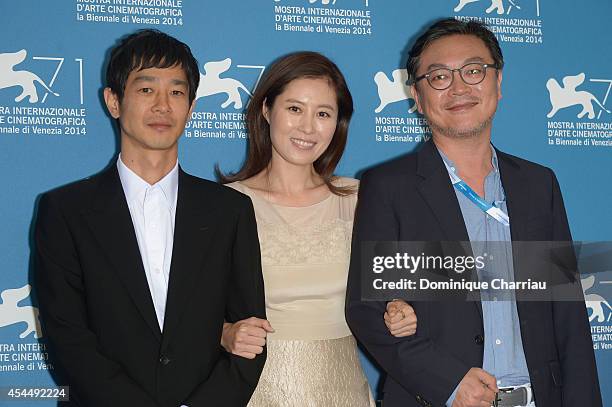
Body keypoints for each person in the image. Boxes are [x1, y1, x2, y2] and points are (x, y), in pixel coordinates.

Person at [346, 18, 602, 407]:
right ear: (416, 94)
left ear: (498, 84)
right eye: (439, 77)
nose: (459, 87)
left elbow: (566, 314)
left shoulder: (538, 184)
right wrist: (448, 383)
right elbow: (370, 309)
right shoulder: (389, 186)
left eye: (473, 70)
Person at [34, 29, 266, 407]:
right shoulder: (65, 211)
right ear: (113, 101)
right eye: (146, 90)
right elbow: (68, 338)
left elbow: (251, 335)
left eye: (176, 92)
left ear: (191, 108)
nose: (162, 106)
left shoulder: (230, 210)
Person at [218, 51, 417, 406]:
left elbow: (391, 287)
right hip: (259, 392)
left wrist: (398, 306)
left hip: (344, 391)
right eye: (295, 109)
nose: (308, 127)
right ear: (266, 110)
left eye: (323, 113)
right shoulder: (226, 205)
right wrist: (225, 333)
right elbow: (188, 312)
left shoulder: (359, 199)